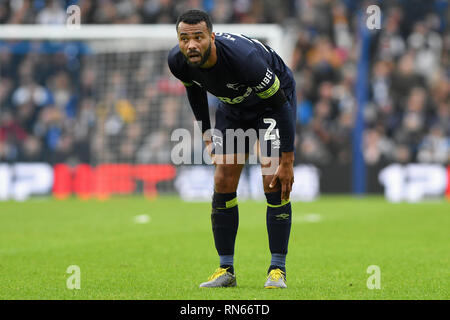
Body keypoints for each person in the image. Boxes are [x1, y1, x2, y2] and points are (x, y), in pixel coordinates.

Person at [168, 9, 296, 289]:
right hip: (235, 106)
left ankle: (277, 269)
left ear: (211, 37)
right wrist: (205, 132)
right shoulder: (178, 62)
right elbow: (194, 90)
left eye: (198, 38)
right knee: (223, 178)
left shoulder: (244, 60)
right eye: (184, 38)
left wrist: (287, 160)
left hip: (271, 105)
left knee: (272, 178)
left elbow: (281, 105)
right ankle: (226, 269)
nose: (191, 45)